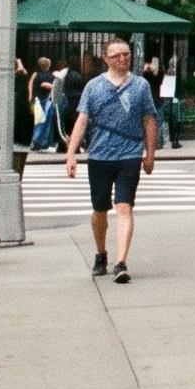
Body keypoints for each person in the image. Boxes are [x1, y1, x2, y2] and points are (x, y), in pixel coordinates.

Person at [64, 37, 159, 283]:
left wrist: (150, 153)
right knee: (100, 210)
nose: (123, 59)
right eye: (117, 55)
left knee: (124, 207)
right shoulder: (93, 86)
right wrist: (71, 154)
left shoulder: (141, 86)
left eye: (126, 54)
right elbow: (82, 120)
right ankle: (101, 253)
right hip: (99, 155)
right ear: (106, 59)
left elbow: (149, 119)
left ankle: (121, 263)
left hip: (130, 155)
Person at [140, 57, 181, 149]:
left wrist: (149, 69)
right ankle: (156, 143)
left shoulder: (153, 75)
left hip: (154, 100)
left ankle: (154, 143)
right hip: (154, 100)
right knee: (156, 122)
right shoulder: (151, 75)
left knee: (155, 122)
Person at [29, 57, 57, 149]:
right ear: (48, 65)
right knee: (47, 121)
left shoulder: (35, 75)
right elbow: (53, 87)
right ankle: (43, 142)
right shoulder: (52, 76)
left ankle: (36, 141)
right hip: (48, 100)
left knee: (38, 121)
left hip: (37, 99)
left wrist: (30, 97)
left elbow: (31, 85)